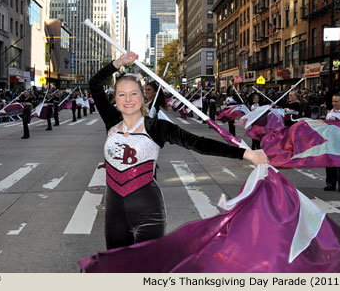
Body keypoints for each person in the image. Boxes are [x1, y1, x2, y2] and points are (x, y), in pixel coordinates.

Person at [87, 51, 268, 250]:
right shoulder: (112, 120)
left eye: (134, 93)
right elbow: (94, 84)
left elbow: (198, 143)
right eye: (122, 94)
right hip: (114, 213)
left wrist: (247, 154)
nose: (128, 99)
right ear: (115, 98)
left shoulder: (157, 127)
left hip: (148, 211)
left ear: (142, 96)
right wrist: (117, 63)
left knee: (147, 271)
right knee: (115, 270)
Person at [324, 93, 340, 192]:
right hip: (331, 141)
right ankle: (330, 184)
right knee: (330, 162)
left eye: (336, 101)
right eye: (333, 101)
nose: (334, 103)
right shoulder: (329, 114)